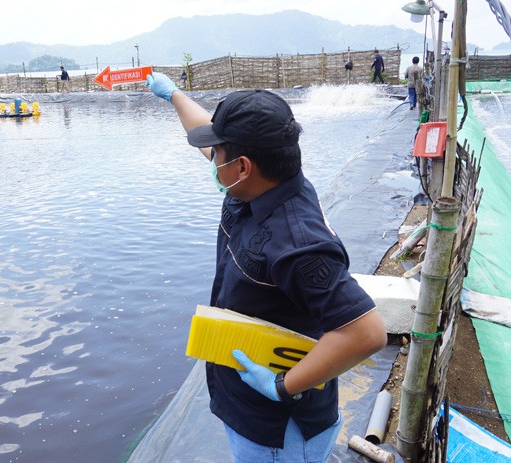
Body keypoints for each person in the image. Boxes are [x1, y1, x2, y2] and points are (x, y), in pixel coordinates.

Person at [145, 72, 387, 463]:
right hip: (245, 404)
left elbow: (366, 333)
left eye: (217, 152)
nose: (211, 158)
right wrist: (174, 95)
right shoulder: (259, 182)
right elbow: (206, 136)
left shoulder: (298, 243)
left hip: (278, 429)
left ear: (243, 166)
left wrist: (281, 386)